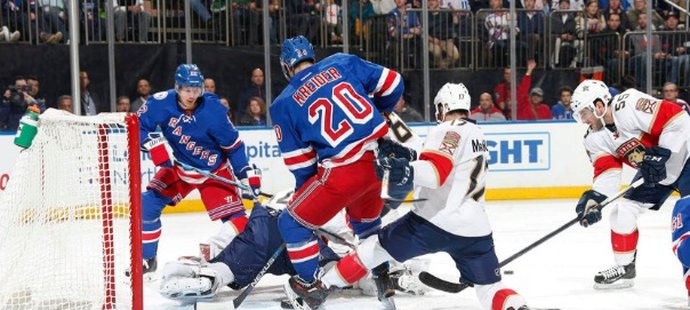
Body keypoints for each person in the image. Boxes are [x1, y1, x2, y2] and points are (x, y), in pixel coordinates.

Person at [293, 83, 531, 310]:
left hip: (435, 223)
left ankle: (320, 287)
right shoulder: (476, 132)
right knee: (490, 290)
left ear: (443, 108)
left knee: (374, 248)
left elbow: (436, 173)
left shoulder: (448, 129)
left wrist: (405, 170)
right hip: (476, 231)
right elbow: (442, 159)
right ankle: (517, 306)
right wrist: (408, 155)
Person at [269, 35, 404, 306]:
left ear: (286, 67)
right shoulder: (342, 62)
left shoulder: (282, 104)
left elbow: (302, 165)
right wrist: (380, 113)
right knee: (367, 227)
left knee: (291, 223)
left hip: (344, 173)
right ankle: (382, 276)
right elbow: (393, 82)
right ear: (312, 56)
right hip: (380, 163)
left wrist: (305, 201)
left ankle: (309, 286)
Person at [158, 194, 428, 300]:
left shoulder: (305, 188)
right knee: (336, 272)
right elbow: (358, 245)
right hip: (301, 242)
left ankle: (204, 278)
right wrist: (388, 263)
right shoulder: (336, 202)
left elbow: (237, 224)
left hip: (264, 227)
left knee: (227, 268)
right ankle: (395, 280)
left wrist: (212, 254)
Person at [136, 64, 262, 278]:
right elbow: (137, 126)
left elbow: (233, 146)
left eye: (196, 89)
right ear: (177, 87)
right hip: (179, 168)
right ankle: (148, 259)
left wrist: (244, 172)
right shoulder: (159, 103)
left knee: (238, 220)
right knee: (146, 205)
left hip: (214, 170)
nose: (192, 95)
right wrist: (150, 142)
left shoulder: (214, 109)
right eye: (187, 90)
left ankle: (237, 263)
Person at [570, 79, 690, 289]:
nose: (583, 120)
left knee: (688, 218)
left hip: (686, 155)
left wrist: (664, 152)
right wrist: (594, 199)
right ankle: (625, 269)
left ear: (598, 106)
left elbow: (676, 118)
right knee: (623, 211)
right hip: (655, 173)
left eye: (584, 113)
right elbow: (607, 172)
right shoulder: (594, 138)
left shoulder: (628, 103)